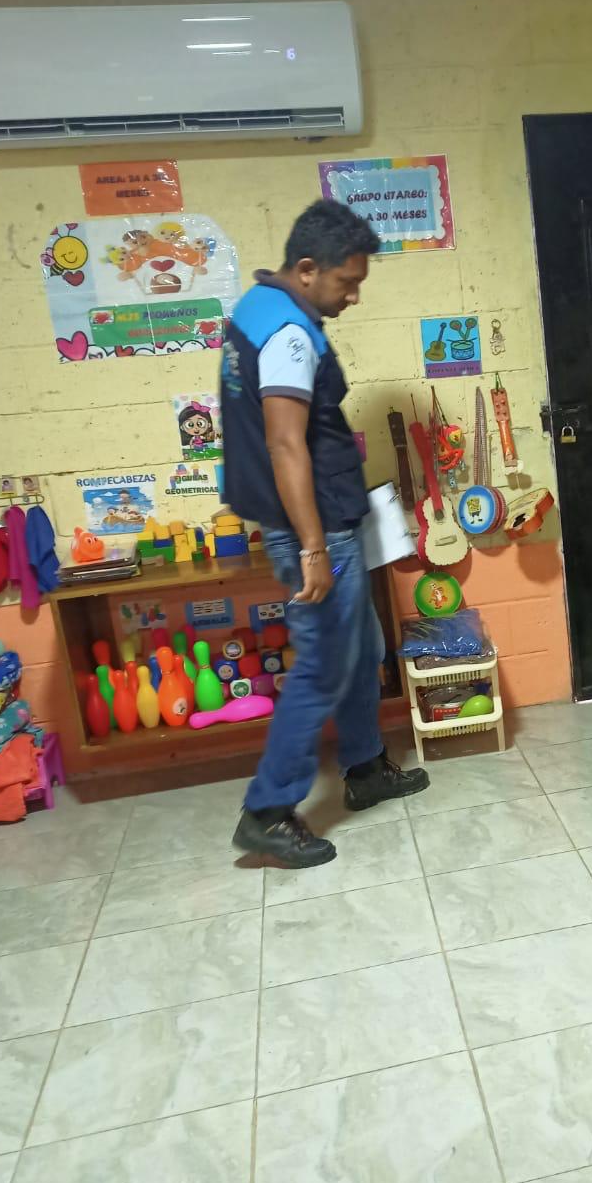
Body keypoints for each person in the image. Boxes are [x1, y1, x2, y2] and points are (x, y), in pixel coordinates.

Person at [220, 200, 428, 868]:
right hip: (314, 528)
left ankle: (365, 767)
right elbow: (285, 443)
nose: (354, 295)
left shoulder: (257, 305)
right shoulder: (287, 332)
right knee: (322, 666)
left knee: (362, 647)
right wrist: (312, 544)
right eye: (347, 282)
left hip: (330, 517)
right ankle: (267, 812)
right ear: (307, 269)